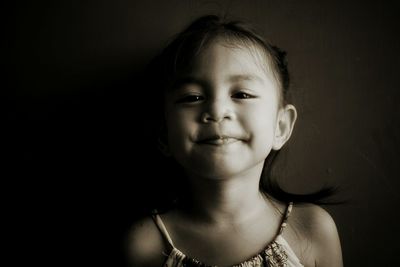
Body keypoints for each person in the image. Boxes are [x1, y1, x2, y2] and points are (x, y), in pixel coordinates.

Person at [126, 14, 343, 267]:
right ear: (163, 134)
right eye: (192, 97)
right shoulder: (145, 245)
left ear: (280, 126)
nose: (217, 111)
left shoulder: (312, 230)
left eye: (242, 94)